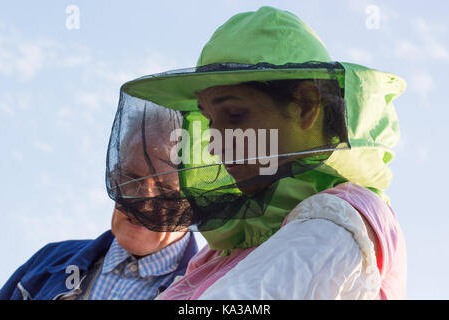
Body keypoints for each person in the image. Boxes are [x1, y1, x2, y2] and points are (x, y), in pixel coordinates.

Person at [116, 6, 408, 299]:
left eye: (234, 115)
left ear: (306, 106)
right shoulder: (242, 243)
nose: (215, 146)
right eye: (210, 121)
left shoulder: (335, 224)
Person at [0, 101, 198, 300]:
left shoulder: (210, 292)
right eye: (131, 179)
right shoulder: (47, 263)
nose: (141, 204)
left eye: (165, 191)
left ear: (199, 202)